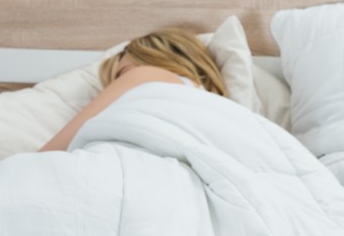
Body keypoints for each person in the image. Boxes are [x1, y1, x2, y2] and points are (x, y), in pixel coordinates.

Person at [39, 27, 228, 153]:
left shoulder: (146, 74)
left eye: (123, 73)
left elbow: (55, 151)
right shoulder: (220, 109)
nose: (119, 84)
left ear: (154, 57)